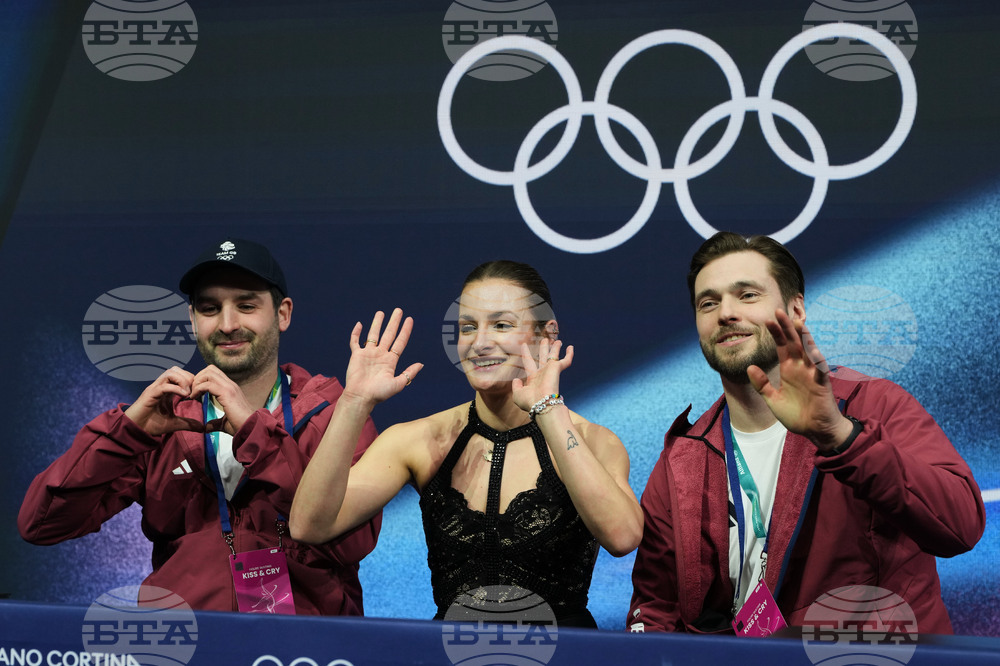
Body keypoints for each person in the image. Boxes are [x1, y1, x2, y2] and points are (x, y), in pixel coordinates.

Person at [628, 232, 985, 635]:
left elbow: (961, 526)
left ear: (796, 309)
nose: (725, 312)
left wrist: (840, 436)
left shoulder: (872, 406)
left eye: (747, 295)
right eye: (707, 303)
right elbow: (656, 604)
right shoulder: (685, 454)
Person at [18, 238, 380, 616]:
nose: (227, 324)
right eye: (210, 308)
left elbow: (350, 543)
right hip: (187, 645)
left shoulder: (335, 414)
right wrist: (126, 432)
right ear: (192, 320)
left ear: (283, 313)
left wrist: (256, 432)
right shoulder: (165, 421)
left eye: (246, 305)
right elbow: (41, 524)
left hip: (305, 649)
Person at [290, 260, 643, 628]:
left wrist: (549, 410)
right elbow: (309, 526)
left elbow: (622, 536)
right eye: (468, 328)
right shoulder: (419, 439)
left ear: (546, 334)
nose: (480, 342)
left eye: (501, 325)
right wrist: (354, 403)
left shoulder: (591, 440)